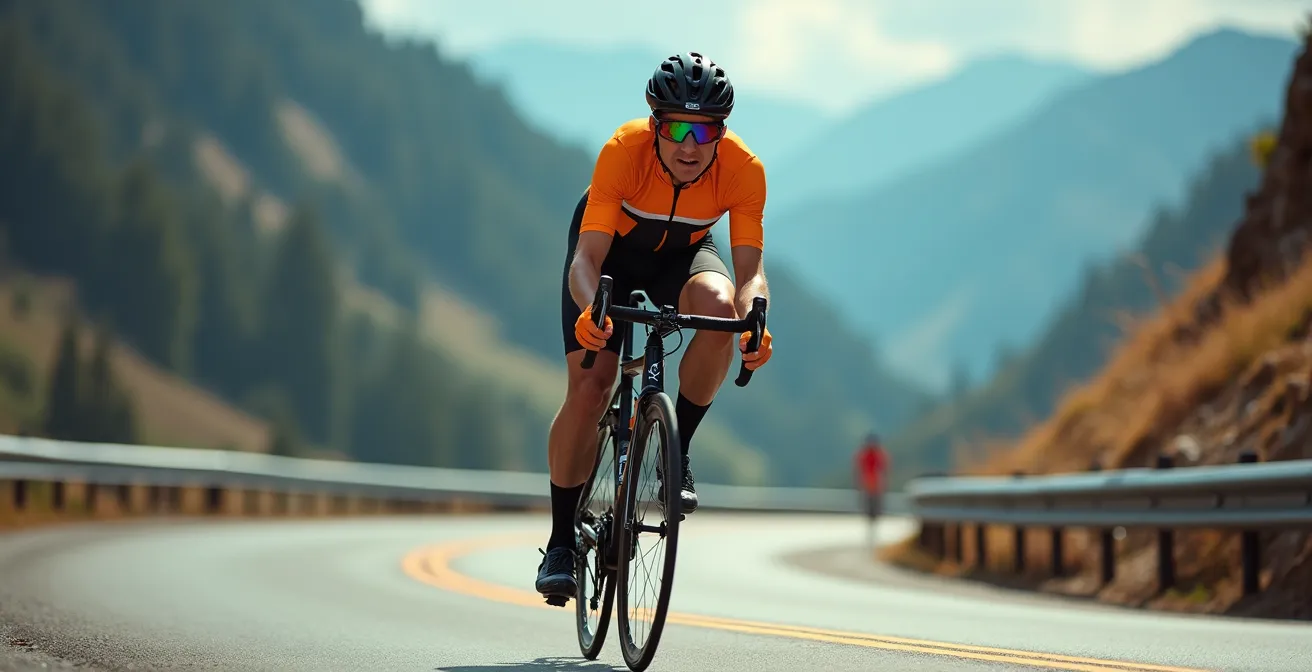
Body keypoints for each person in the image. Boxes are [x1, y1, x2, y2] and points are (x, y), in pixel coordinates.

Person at [535, 52, 774, 601]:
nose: (690, 145)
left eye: (705, 130)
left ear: (722, 132)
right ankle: (560, 541)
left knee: (721, 309)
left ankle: (674, 453)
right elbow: (585, 262)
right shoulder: (623, 153)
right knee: (592, 386)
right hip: (609, 257)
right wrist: (595, 310)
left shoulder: (744, 169)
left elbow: (750, 275)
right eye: (677, 128)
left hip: (683, 257)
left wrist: (755, 320)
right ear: (654, 125)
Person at [855, 434, 888, 545]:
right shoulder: (865, 455)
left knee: (875, 511)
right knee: (870, 510)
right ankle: (871, 529)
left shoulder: (878, 455)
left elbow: (884, 470)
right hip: (869, 486)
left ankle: (873, 529)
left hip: (875, 486)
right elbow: (859, 470)